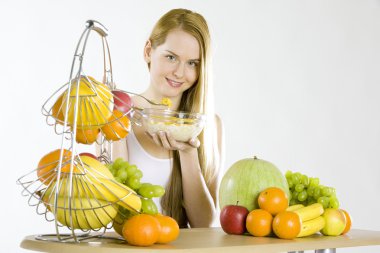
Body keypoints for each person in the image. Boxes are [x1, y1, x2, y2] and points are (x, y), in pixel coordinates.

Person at [112, 8, 224, 228]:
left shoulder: (210, 125)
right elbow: (115, 211)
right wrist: (114, 123)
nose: (180, 73)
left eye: (192, 63)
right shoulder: (120, 113)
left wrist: (188, 153)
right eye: (171, 57)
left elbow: (204, 225)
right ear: (148, 51)